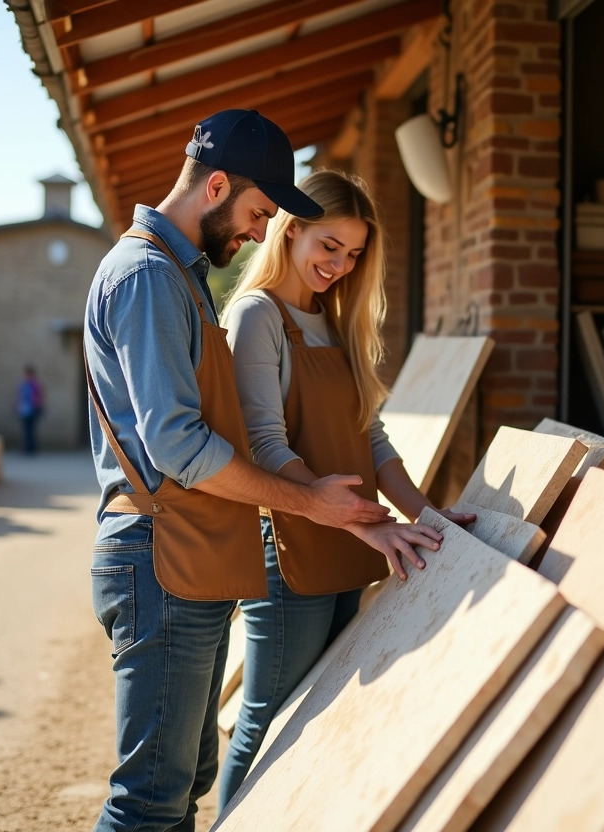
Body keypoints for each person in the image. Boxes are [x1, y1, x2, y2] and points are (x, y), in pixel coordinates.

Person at [82, 110, 443, 832]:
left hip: (193, 555)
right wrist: (313, 503)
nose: (256, 231)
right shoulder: (149, 276)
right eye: (255, 212)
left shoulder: (179, 277)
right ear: (216, 185)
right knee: (151, 800)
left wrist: (409, 509)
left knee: (179, 788)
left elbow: (355, 432)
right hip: (161, 555)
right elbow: (180, 447)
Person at [216, 170, 476, 807]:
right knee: (266, 718)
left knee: (317, 714)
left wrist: (426, 513)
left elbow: (373, 440)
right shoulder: (258, 316)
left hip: (349, 543)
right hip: (293, 548)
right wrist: (370, 523)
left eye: (354, 253)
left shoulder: (335, 319)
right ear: (292, 229)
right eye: (329, 246)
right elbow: (267, 448)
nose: (340, 265)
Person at [15, 364, 43, 454]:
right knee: (26, 430)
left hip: (33, 409)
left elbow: (39, 396)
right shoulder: (24, 384)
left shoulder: (35, 384)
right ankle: (26, 448)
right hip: (24, 409)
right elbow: (20, 396)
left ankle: (31, 449)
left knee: (31, 430)